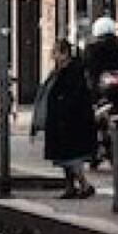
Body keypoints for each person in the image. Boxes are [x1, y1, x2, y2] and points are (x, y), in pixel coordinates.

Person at [35, 39, 98, 199]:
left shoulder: (73, 71)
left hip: (71, 120)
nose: (53, 55)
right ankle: (70, 186)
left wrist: (64, 109)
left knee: (71, 156)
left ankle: (84, 185)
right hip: (59, 119)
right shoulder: (58, 71)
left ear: (65, 54)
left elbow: (74, 96)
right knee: (62, 157)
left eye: (56, 52)